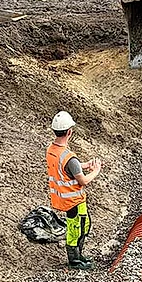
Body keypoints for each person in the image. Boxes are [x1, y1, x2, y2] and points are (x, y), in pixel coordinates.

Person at [46, 111, 102, 270]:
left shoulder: (51, 150)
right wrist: (95, 170)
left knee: (80, 225)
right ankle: (75, 260)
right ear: (69, 132)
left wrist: (83, 165)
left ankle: (78, 256)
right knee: (77, 228)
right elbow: (83, 180)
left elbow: (66, 168)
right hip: (74, 200)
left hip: (62, 199)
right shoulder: (69, 157)